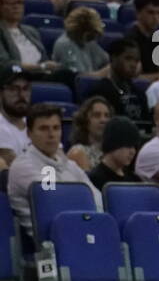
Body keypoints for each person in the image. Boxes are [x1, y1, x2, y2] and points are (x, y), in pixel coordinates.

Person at [8, 102, 102, 240]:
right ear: (29, 133)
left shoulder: (70, 165)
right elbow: (55, 199)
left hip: (83, 231)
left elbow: (97, 198)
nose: (51, 134)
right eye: (44, 128)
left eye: (56, 128)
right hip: (49, 242)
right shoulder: (24, 166)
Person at [87, 38, 151, 125]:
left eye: (136, 60)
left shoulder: (140, 94)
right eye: (128, 59)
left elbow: (148, 124)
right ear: (113, 58)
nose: (133, 64)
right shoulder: (99, 91)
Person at [51, 4, 109, 79]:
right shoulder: (64, 44)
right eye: (92, 34)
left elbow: (106, 60)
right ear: (85, 33)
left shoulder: (88, 42)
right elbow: (80, 78)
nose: (94, 38)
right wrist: (107, 71)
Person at [88, 116, 142, 190]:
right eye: (128, 145)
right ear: (114, 142)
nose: (133, 151)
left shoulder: (135, 180)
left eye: (134, 146)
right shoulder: (94, 180)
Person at [66, 95, 113, 171]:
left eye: (107, 116)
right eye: (97, 115)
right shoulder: (78, 152)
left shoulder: (113, 152)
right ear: (85, 121)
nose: (103, 120)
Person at [0, 64, 33, 166]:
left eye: (25, 88)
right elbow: (16, 168)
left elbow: (59, 159)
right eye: (14, 89)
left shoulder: (39, 124)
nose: (22, 95)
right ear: (1, 93)